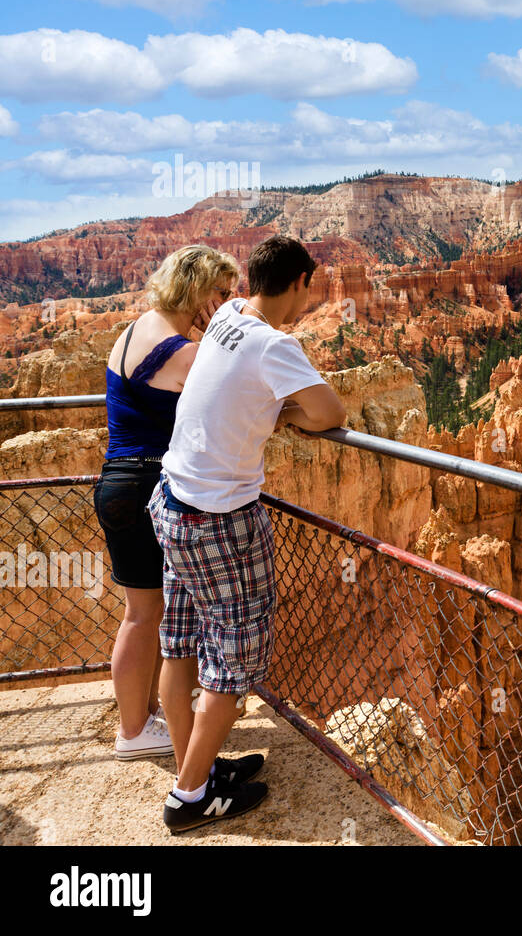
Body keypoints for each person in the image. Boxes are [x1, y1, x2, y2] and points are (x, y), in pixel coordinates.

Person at [148, 235, 346, 833]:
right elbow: (330, 413)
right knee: (234, 660)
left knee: (181, 641)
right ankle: (189, 800)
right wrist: (284, 411)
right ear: (301, 283)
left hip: (173, 503)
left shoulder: (230, 315)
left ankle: (198, 769)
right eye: (311, 287)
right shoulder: (273, 343)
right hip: (219, 521)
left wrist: (268, 409)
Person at [94, 244, 239, 760]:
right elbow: (231, 400)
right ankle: (135, 732)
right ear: (197, 288)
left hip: (119, 482)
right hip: (143, 489)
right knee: (144, 613)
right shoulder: (183, 352)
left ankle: (145, 720)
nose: (226, 304)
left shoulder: (136, 329)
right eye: (221, 293)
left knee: (146, 612)